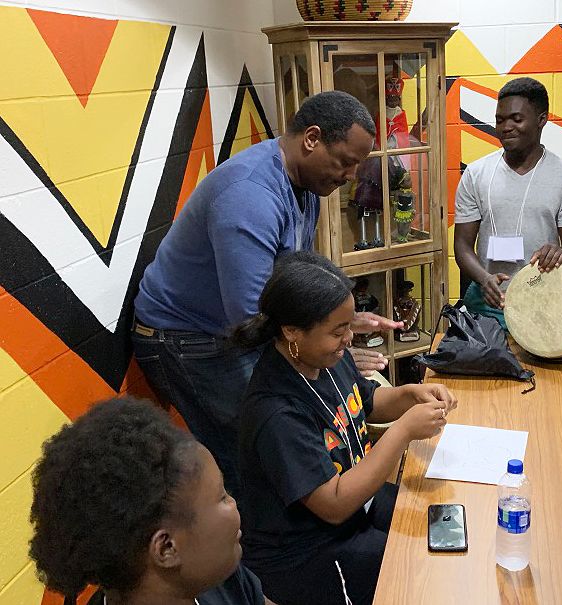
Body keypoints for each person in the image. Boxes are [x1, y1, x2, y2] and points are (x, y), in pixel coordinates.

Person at [132, 91, 401, 497]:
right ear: (312, 138)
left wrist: (340, 324)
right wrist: (336, 351)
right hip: (187, 339)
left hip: (233, 327)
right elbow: (253, 319)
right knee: (254, 458)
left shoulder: (304, 183)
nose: (350, 176)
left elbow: (294, 279)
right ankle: (260, 555)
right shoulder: (250, 196)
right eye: (346, 161)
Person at [233, 251, 457, 605]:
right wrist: (403, 431)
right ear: (292, 330)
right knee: (412, 569)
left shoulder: (322, 357)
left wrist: (410, 395)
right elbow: (333, 504)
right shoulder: (276, 412)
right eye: (338, 331)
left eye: (350, 325)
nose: (349, 339)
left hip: (355, 507)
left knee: (438, 522)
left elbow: (365, 401)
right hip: (308, 549)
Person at [29, 397, 276, 605]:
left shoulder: (216, 578)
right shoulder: (207, 569)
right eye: (222, 497)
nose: (233, 503)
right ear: (166, 548)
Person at [453, 76, 562, 329]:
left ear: (541, 120)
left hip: (544, 301)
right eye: (500, 120)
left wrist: (560, 253)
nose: (506, 127)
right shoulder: (476, 173)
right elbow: (461, 244)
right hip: (487, 303)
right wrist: (484, 279)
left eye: (516, 119)